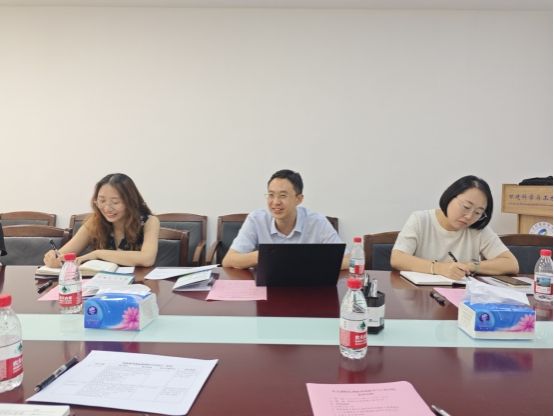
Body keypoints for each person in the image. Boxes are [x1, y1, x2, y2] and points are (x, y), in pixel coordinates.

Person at [390, 175, 519, 279]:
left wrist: (470, 266)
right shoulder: (421, 220)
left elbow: (511, 264)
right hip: (420, 295)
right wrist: (440, 268)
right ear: (450, 196)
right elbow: (397, 258)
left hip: (460, 297)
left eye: (478, 213)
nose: (469, 216)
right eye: (466, 207)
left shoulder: (477, 229)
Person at [222, 169, 349, 270]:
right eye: (271, 195)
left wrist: (306, 261)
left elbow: (348, 260)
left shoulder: (317, 222)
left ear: (299, 199)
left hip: (305, 286)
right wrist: (264, 256)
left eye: (283, 195)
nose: (275, 202)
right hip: (268, 286)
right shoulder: (256, 219)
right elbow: (228, 260)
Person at [43, 173, 160, 267]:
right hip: (100, 285)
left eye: (115, 202)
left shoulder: (149, 222)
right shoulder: (95, 222)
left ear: (130, 201)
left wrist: (98, 254)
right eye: (102, 201)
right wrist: (54, 258)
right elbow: (63, 255)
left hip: (138, 284)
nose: (107, 208)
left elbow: (147, 259)